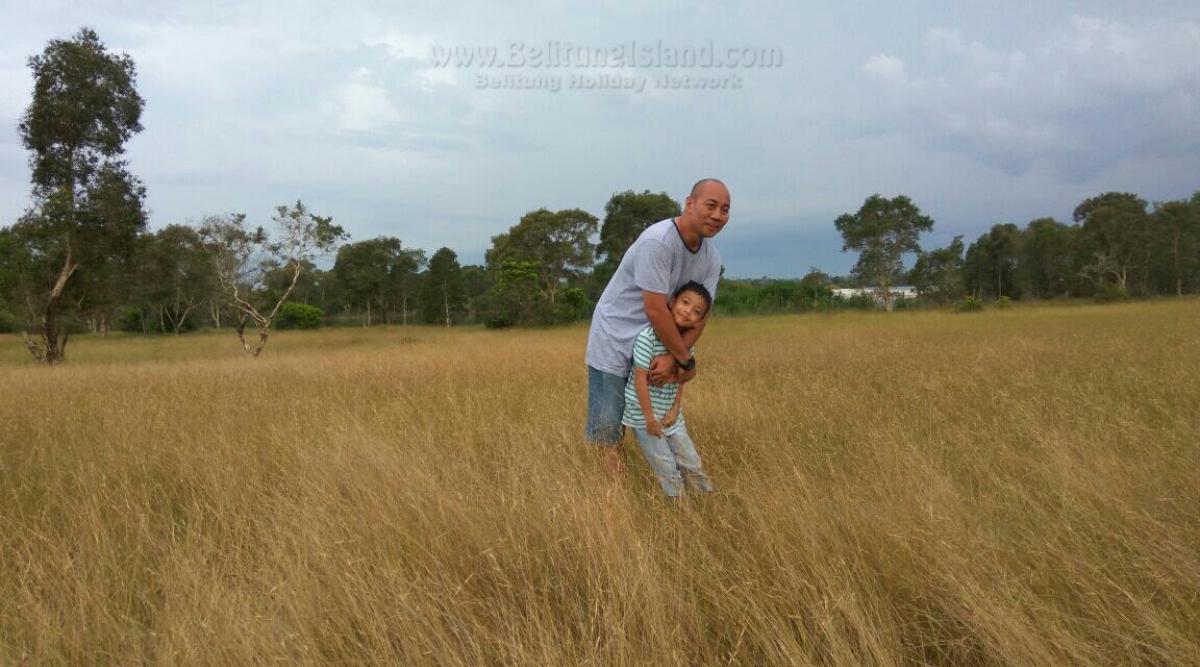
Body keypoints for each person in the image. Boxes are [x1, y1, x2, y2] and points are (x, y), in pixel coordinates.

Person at [585, 178, 729, 473]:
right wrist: (685, 359)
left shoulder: (711, 259)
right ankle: (613, 507)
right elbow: (655, 309)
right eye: (711, 205)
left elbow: (701, 315)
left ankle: (672, 495)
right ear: (689, 203)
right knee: (609, 430)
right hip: (615, 339)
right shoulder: (658, 241)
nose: (718, 215)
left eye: (725, 210)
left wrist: (674, 357)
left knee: (660, 420)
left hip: (657, 345)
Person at [622, 281, 715, 496]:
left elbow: (681, 380)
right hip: (644, 418)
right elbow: (639, 381)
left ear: (698, 322)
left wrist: (675, 409)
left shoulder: (686, 346)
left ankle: (710, 507)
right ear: (672, 302)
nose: (688, 311)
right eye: (685, 302)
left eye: (696, 311)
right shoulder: (648, 338)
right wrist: (650, 419)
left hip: (671, 417)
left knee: (692, 464)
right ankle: (682, 515)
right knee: (667, 470)